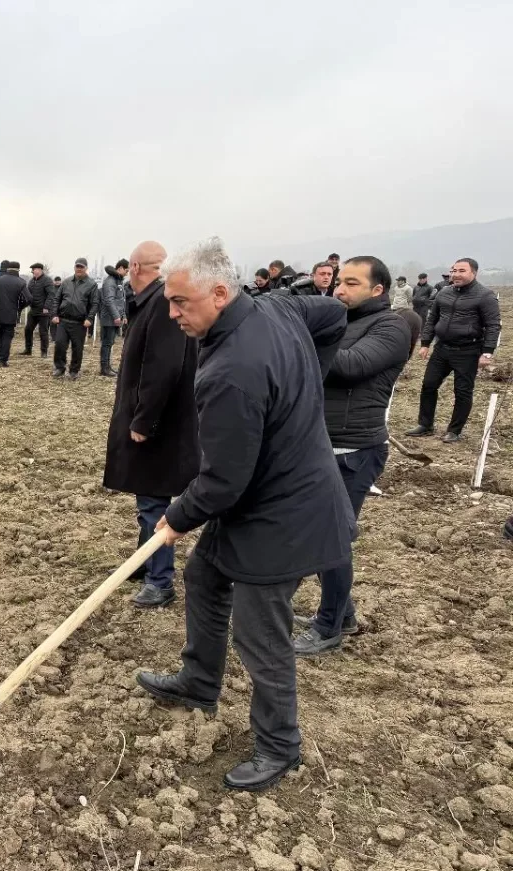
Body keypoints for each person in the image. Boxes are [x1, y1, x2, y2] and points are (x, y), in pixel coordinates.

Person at [138, 236, 352, 792]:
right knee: (205, 577)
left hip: (284, 516)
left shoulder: (232, 370)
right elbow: (331, 314)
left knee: (260, 635)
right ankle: (199, 681)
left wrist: (177, 517)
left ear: (219, 292)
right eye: (168, 300)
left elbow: (222, 483)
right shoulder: (277, 306)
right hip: (267, 493)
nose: (172, 313)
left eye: (181, 302)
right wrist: (305, 384)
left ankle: (281, 745)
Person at [292, 256, 411, 656]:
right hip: (324, 443)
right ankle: (342, 614)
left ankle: (328, 628)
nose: (339, 290)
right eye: (339, 282)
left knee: (333, 538)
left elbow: (350, 367)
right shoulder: (342, 320)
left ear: (378, 290)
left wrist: (304, 337)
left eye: (352, 283)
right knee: (328, 533)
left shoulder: (390, 326)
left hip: (355, 450)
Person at [103, 240, 198, 608]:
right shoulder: (157, 300)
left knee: (154, 501)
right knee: (148, 495)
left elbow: (162, 369)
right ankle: (145, 563)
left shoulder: (161, 303)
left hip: (159, 424)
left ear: (135, 267)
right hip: (156, 417)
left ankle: (160, 581)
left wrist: (144, 420)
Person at [407, 258, 501, 442]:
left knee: (462, 391)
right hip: (442, 348)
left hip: (468, 350)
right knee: (429, 385)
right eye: (453, 270)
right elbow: (432, 318)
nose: (456, 274)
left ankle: (454, 430)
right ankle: (425, 425)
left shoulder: (485, 295)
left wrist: (487, 351)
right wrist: (425, 343)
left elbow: (493, 325)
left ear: (473, 273)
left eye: (461, 271)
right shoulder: (444, 292)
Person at [50, 258, 99, 379]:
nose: (79, 269)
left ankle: (74, 370)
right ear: (74, 267)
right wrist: (54, 314)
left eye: (81, 267)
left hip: (79, 322)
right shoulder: (66, 282)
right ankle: (59, 368)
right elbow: (57, 299)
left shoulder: (91, 284)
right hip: (63, 320)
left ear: (86, 268)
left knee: (77, 348)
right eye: (77, 266)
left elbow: (94, 304)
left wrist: (90, 318)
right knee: (60, 344)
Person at [0, 261, 31, 367]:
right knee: (7, 338)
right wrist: (19, 307)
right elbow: (29, 299)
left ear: (7, 269)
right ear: (18, 270)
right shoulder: (21, 282)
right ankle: (3, 361)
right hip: (11, 315)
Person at [98, 260, 130, 376]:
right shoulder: (110, 281)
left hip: (114, 318)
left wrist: (123, 316)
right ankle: (104, 368)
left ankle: (108, 366)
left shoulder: (118, 281)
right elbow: (109, 300)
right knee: (107, 343)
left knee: (110, 343)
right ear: (120, 268)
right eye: (126, 270)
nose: (127, 273)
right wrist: (117, 316)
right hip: (109, 319)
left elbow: (121, 301)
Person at [23, 263, 55, 357]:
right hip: (33, 310)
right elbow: (28, 294)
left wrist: (46, 307)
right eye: (32, 270)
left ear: (40, 270)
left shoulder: (47, 280)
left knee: (43, 332)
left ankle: (44, 352)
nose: (33, 271)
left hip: (43, 311)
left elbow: (51, 295)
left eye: (34, 269)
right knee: (28, 329)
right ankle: (28, 349)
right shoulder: (32, 281)